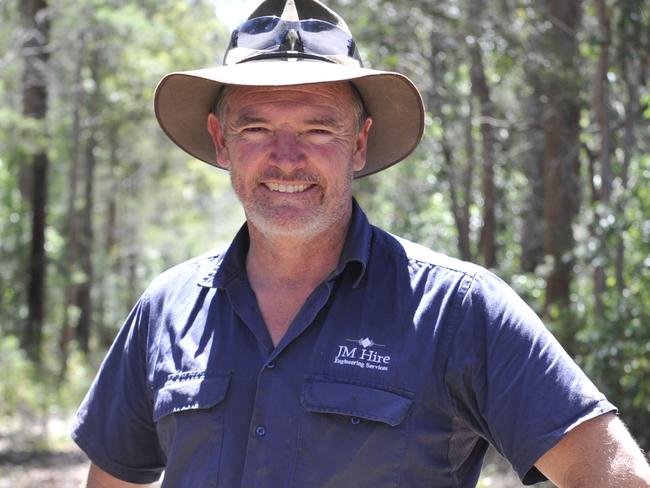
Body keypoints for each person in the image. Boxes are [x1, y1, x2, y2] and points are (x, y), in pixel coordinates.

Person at [72, 0, 650, 487]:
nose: (286, 158)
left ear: (359, 144)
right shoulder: (166, 309)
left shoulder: (458, 310)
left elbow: (615, 475)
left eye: (319, 129)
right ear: (221, 141)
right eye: (256, 129)